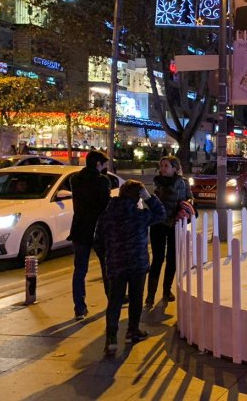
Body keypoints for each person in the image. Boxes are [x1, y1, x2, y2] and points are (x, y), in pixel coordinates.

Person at [94, 180, 166, 356]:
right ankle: (132, 331)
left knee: (115, 302)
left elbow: (98, 241)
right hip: (137, 264)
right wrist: (149, 198)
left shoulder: (107, 214)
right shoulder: (139, 215)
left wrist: (108, 256)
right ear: (138, 196)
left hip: (115, 264)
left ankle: (111, 338)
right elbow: (161, 213)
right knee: (136, 299)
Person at [69, 150, 112, 320]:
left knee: (80, 269)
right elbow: (105, 204)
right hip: (98, 229)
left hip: (80, 228)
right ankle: (112, 299)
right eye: (104, 164)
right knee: (107, 266)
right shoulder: (102, 181)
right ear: (98, 164)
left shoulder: (75, 179)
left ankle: (79, 307)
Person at [145, 156, 193, 308]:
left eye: (166, 166)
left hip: (175, 223)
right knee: (157, 259)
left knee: (172, 258)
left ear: (175, 168)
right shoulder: (157, 182)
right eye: (162, 165)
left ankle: (167, 290)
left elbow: (190, 198)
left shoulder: (184, 183)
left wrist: (186, 208)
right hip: (158, 223)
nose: (163, 168)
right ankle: (150, 295)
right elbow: (153, 203)